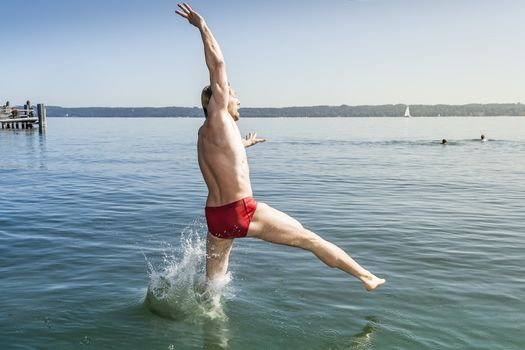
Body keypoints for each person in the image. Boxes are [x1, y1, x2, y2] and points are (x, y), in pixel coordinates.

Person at [175, 3, 385, 291]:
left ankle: (210, 326)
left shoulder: (206, 134)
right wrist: (203, 26)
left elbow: (222, 159)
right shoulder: (220, 114)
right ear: (219, 100)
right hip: (242, 210)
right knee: (308, 238)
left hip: (216, 219)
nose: (238, 100)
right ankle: (367, 278)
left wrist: (245, 143)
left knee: (213, 289)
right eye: (234, 96)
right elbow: (218, 65)